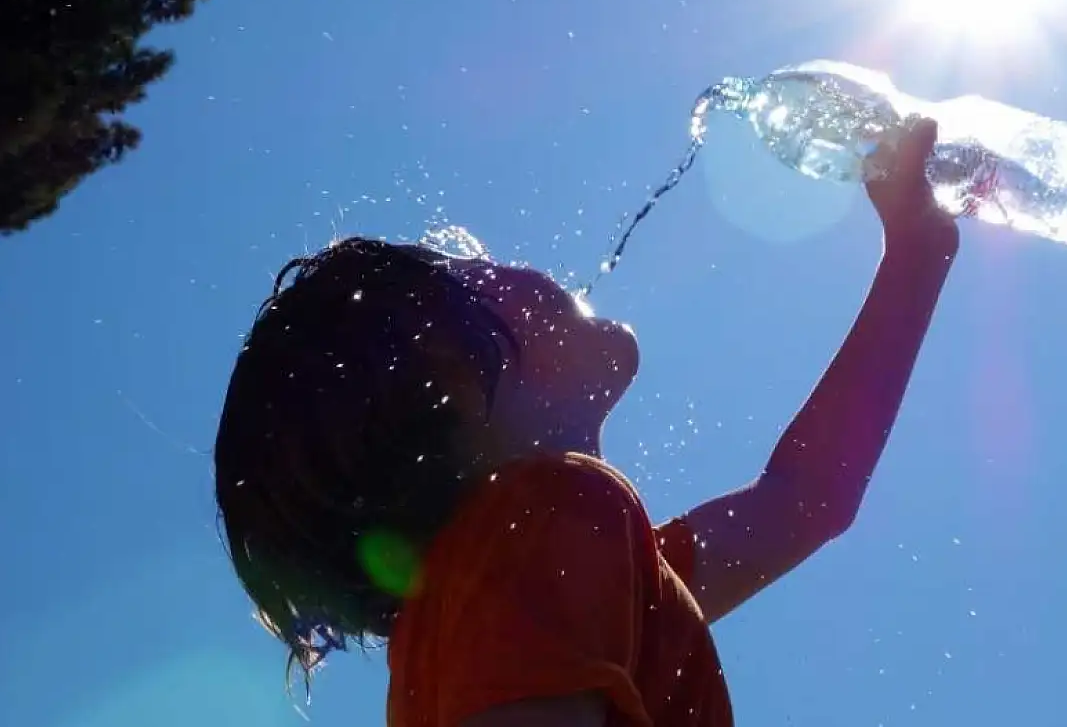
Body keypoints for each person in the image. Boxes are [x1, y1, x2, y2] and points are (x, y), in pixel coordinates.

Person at [214, 118, 959, 726]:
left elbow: (806, 498)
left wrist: (918, 255)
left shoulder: (549, 581)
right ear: (451, 385)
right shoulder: (542, 521)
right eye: (471, 270)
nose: (507, 264)